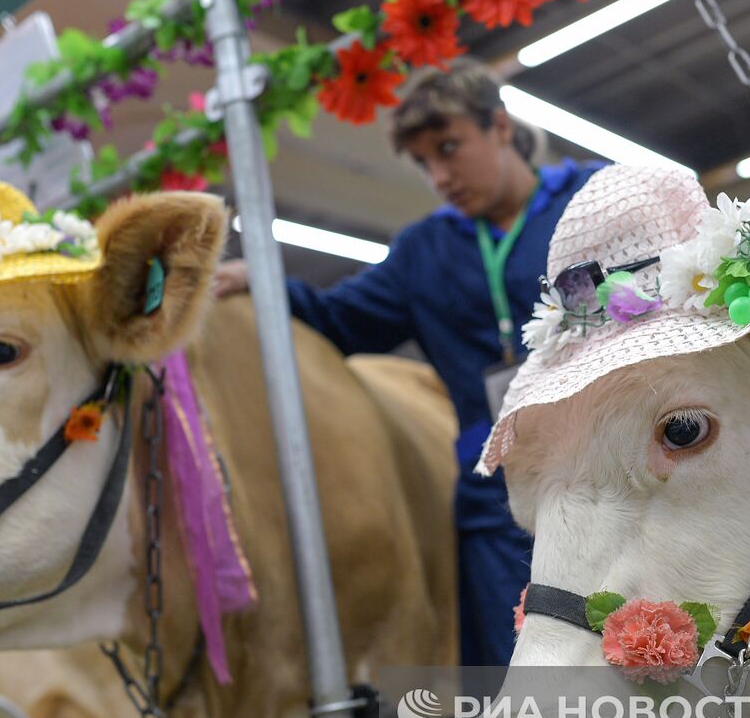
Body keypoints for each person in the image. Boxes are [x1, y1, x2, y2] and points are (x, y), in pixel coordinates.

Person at [214, 59, 601, 668]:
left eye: (449, 148)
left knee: (640, 654)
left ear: (499, 127)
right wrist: (264, 284)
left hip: (603, 471)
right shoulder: (423, 251)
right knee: (519, 678)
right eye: (424, 162)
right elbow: (341, 320)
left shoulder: (592, 201)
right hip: (496, 498)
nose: (440, 174)